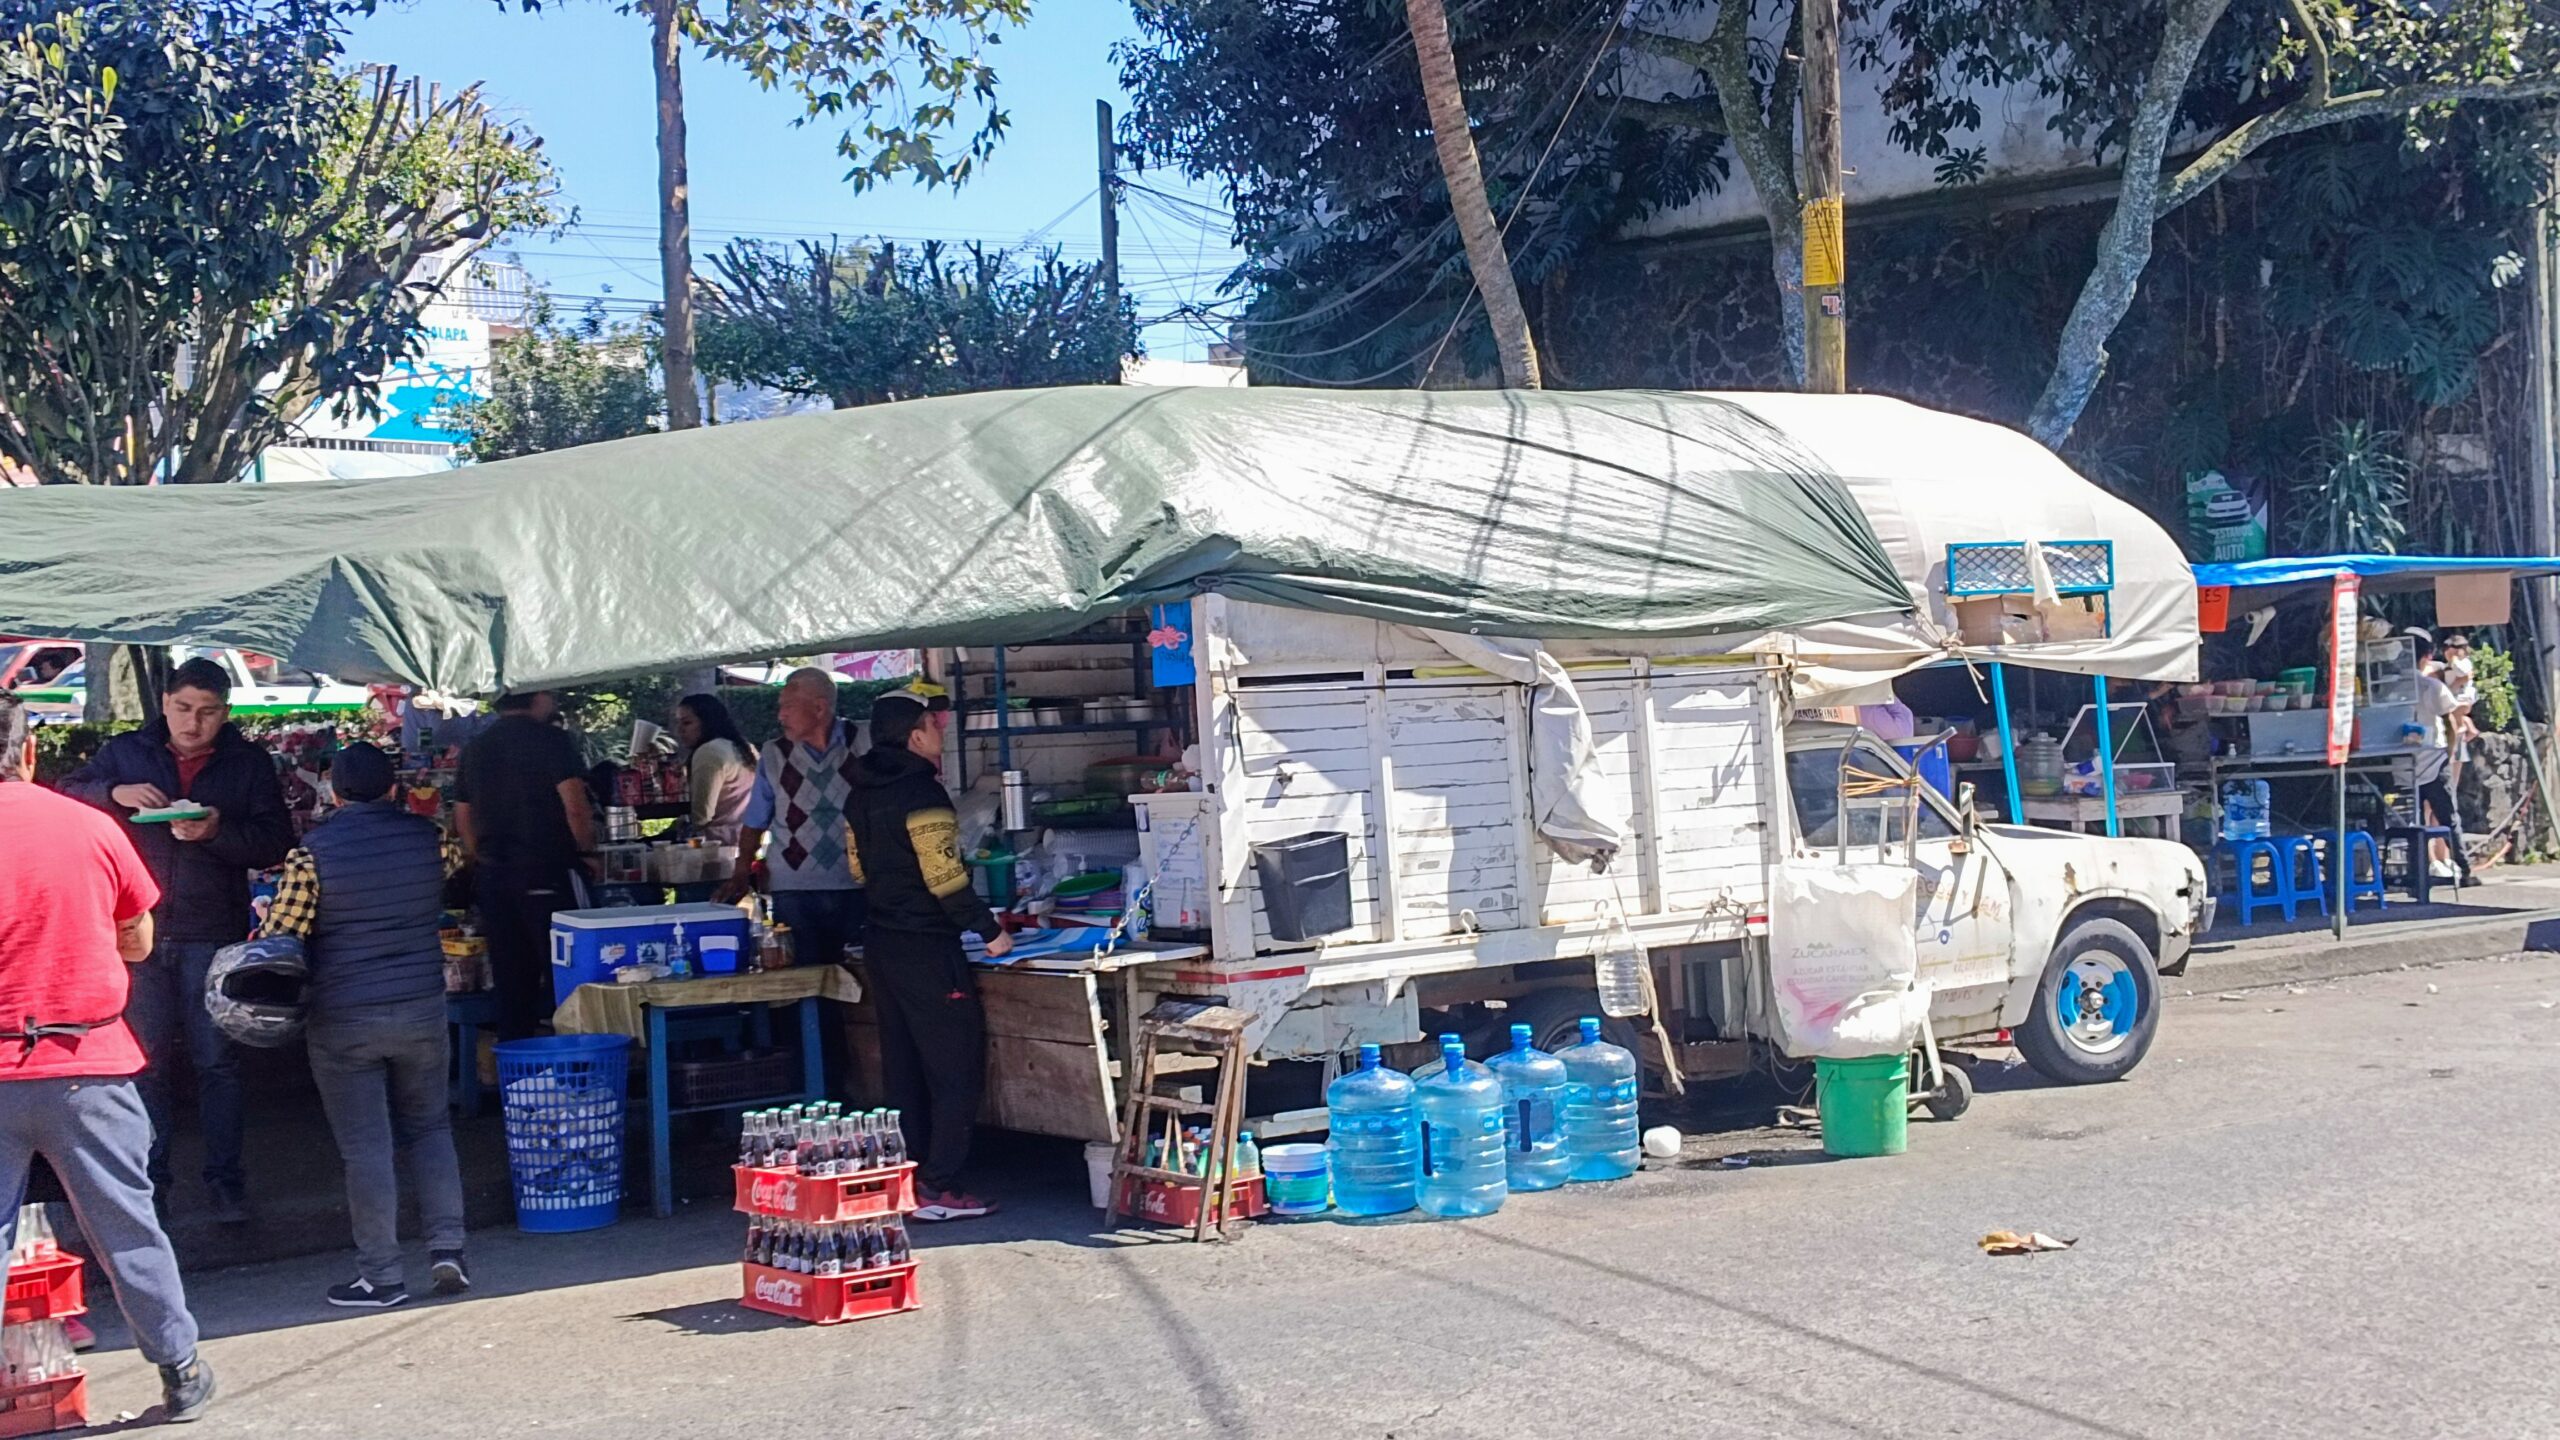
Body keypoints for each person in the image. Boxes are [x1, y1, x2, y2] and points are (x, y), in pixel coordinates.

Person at [0, 692, 217, 1421]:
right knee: (127, 1224)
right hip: (88, 1059)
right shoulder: (91, 827)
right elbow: (139, 938)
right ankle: (180, 1370)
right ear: (28, 752)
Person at [60, 656, 292, 1223]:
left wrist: (215, 832)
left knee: (217, 1062)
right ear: (164, 705)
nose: (193, 723)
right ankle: (151, 1183)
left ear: (225, 713)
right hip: (136, 931)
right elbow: (64, 796)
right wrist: (115, 793)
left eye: (208, 713)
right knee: (146, 1063)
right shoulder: (126, 753)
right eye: (184, 709)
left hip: (212, 930)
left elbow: (274, 842)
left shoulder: (247, 763)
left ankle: (225, 1182)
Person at [259, 744, 470, 1309]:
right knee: (430, 1129)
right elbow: (447, 871)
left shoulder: (312, 854)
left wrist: (264, 918)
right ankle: (448, 1249)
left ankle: (382, 1277)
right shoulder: (431, 840)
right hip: (423, 1008)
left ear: (333, 792)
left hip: (345, 1017)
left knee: (367, 1148)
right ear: (395, 789)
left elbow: (283, 936)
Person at [846, 691, 1010, 1222]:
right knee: (954, 1067)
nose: (941, 731)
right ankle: (939, 1185)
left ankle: (910, 1177)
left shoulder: (860, 794)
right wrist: (990, 931)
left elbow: (859, 873)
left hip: (882, 943)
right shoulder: (923, 796)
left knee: (905, 1068)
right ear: (914, 737)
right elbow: (945, 879)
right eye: (933, 725)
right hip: (926, 947)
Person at [454, 692, 596, 1038]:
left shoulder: (476, 746)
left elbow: (462, 815)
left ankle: (516, 1076)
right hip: (547, 868)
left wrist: (482, 856)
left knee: (510, 981)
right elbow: (575, 805)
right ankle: (578, 1064)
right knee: (570, 971)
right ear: (539, 696)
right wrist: (588, 851)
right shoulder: (552, 740)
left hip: (495, 876)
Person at [718, 669, 865, 970]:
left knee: (859, 978)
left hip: (857, 883)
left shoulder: (863, 743)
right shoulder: (773, 754)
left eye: (788, 707)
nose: (780, 715)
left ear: (820, 708)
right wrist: (741, 871)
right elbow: (756, 820)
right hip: (794, 887)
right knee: (803, 977)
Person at [2411, 634, 2473, 887]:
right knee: (2448, 817)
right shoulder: (2431, 686)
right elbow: (2450, 720)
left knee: (2411, 820)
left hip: (2403, 765)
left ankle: (2416, 870)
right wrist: (2450, 751)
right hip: (2435, 761)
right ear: (2427, 655)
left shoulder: (2389, 687)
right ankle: (2464, 869)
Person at [676, 693, 755, 845]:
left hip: (718, 845)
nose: (680, 730)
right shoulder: (745, 748)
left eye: (686, 723)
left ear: (707, 723)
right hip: (751, 841)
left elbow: (701, 817)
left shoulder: (709, 752)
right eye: (678, 723)